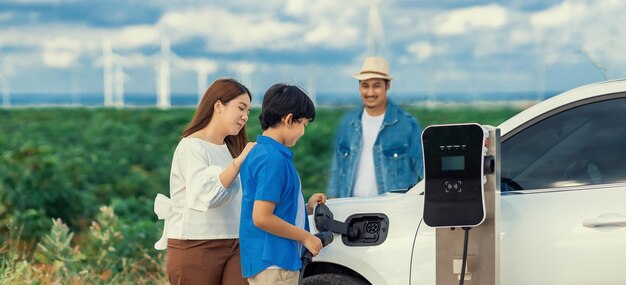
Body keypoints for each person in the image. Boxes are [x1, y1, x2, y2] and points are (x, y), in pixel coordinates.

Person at [153, 78, 254, 285]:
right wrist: (237, 164)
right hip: (195, 244)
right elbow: (206, 196)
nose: (245, 117)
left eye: (248, 112)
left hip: (236, 242)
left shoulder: (231, 148)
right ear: (218, 105)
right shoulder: (191, 146)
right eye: (241, 108)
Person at [239, 83, 327, 285]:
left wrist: (306, 208)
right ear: (288, 119)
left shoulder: (264, 153)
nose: (303, 131)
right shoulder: (272, 160)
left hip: (269, 261)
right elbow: (262, 217)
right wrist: (306, 237)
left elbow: (275, 209)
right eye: (303, 124)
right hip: (274, 263)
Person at [327, 56, 424, 198]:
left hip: (392, 212)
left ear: (388, 86)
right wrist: (333, 206)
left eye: (376, 85)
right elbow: (337, 173)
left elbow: (425, 171)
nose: (370, 92)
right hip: (350, 210)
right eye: (365, 85)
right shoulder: (348, 124)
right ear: (359, 87)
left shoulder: (408, 125)